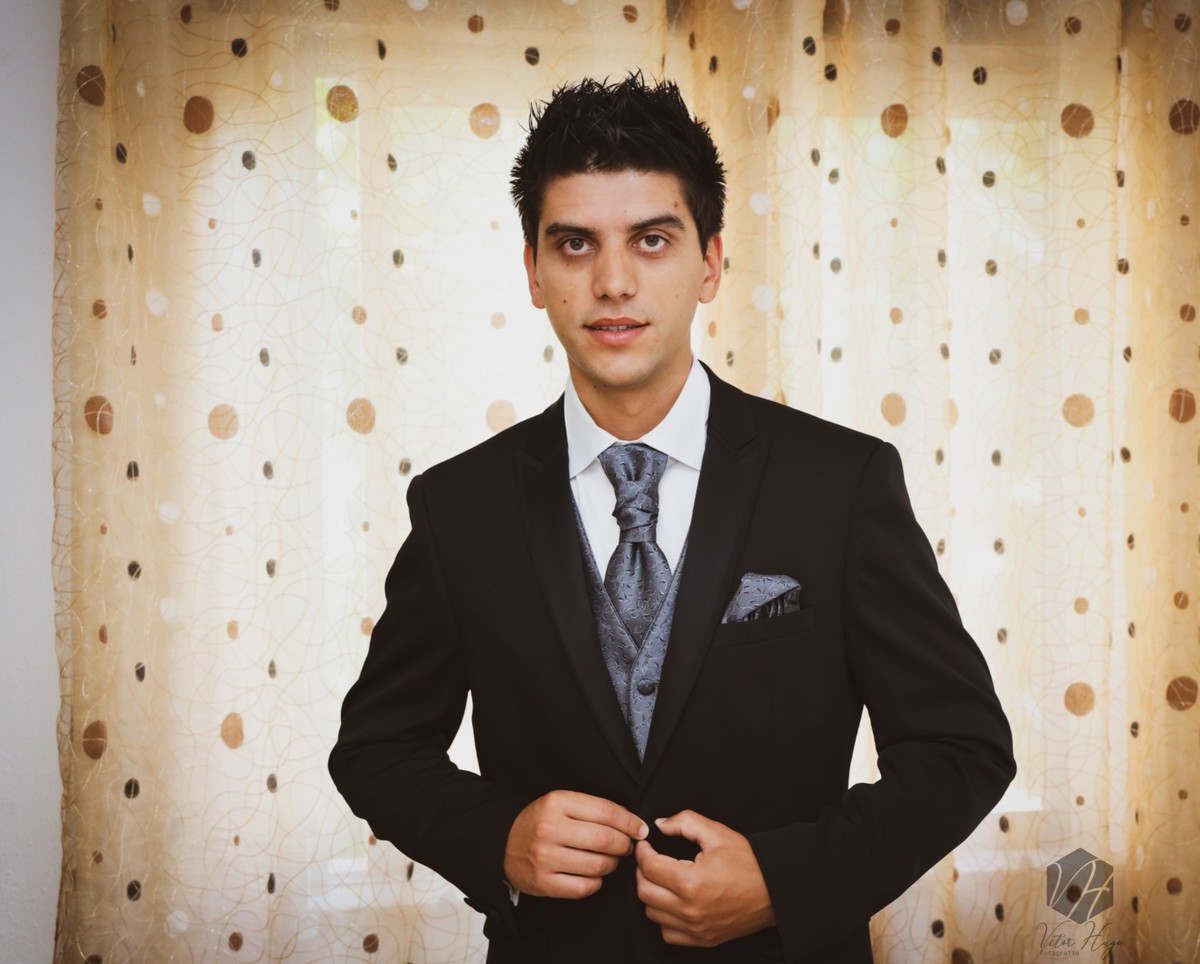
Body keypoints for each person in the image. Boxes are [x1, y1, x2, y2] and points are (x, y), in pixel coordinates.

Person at [329, 74, 1016, 964]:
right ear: (534, 272)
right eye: (575, 244)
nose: (613, 282)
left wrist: (784, 881)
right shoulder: (460, 507)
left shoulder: (842, 483)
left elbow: (961, 747)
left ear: (710, 263)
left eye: (651, 240)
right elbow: (378, 749)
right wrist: (497, 837)